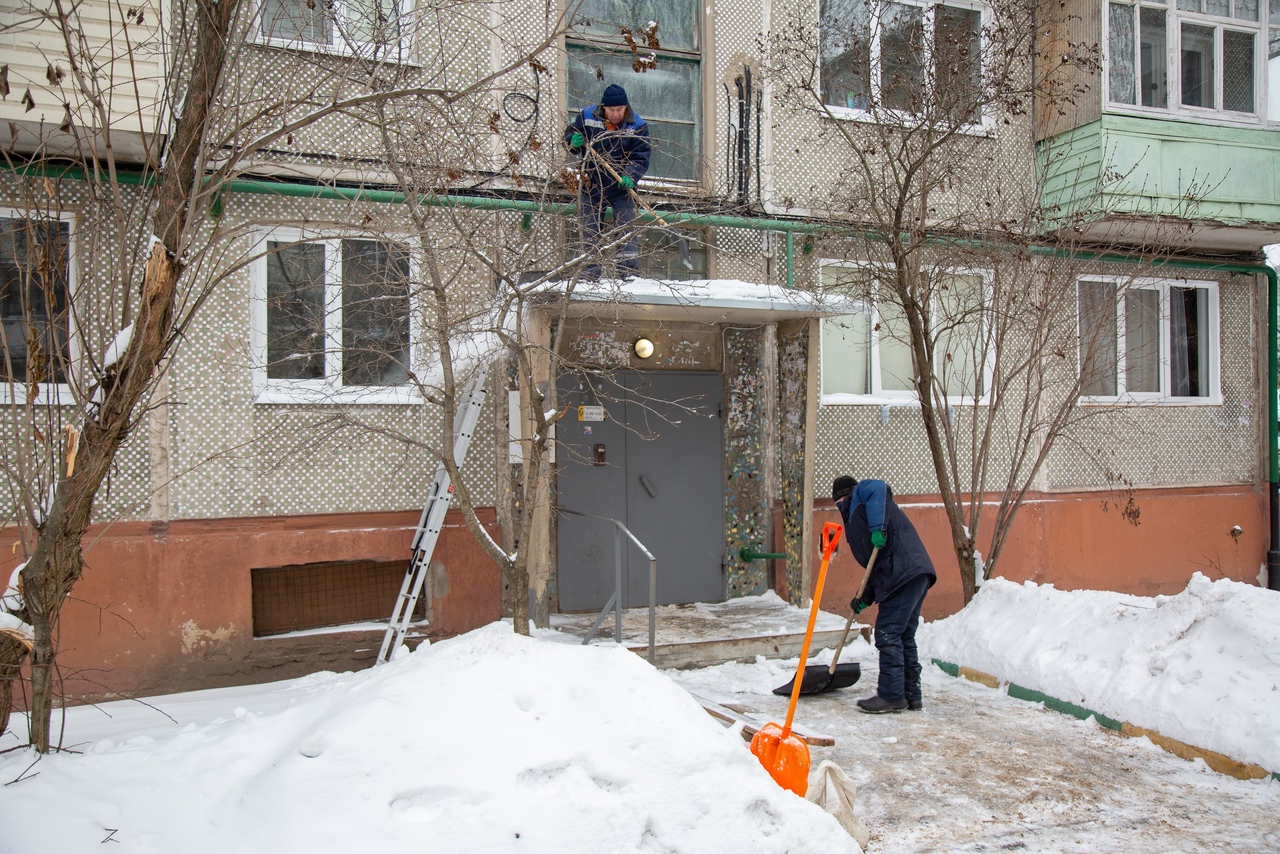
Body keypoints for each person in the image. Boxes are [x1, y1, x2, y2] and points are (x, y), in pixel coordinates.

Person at [832, 475, 936, 714]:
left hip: (903, 572)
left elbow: (879, 487)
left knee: (888, 632)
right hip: (911, 572)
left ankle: (891, 696)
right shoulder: (856, 519)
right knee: (903, 635)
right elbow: (874, 563)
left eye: (841, 499)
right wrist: (864, 597)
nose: (840, 503)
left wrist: (877, 528)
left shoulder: (862, 493)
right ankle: (911, 695)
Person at [564, 84, 651, 278]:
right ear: (603, 107)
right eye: (612, 110)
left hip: (622, 186)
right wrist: (572, 142)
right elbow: (569, 136)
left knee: (626, 231)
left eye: (620, 109)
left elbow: (640, 156)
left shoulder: (637, 125)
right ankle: (590, 274)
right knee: (590, 231)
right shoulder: (587, 116)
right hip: (591, 183)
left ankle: (628, 273)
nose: (616, 114)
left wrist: (631, 175)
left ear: (625, 107)